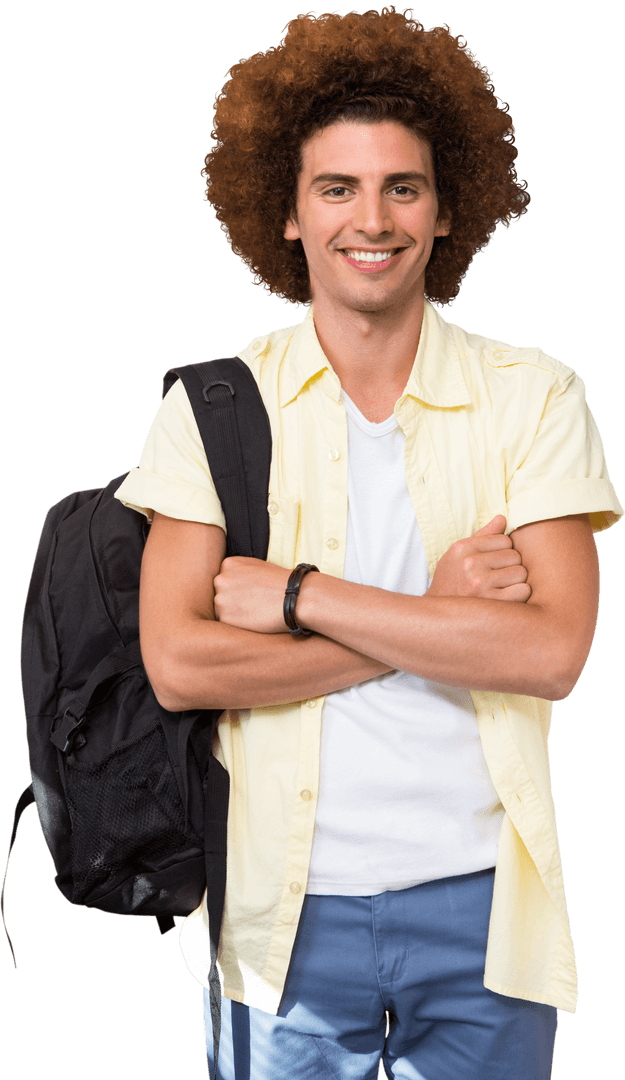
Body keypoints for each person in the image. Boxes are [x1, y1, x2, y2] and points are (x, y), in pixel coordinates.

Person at [115, 9, 622, 1078]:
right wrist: (435, 618)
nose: (372, 218)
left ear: (446, 211)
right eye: (335, 188)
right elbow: (180, 661)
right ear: (288, 215)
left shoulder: (533, 397)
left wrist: (301, 595)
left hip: (484, 917)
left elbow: (552, 654)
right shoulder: (215, 409)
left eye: (404, 186)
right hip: (275, 922)